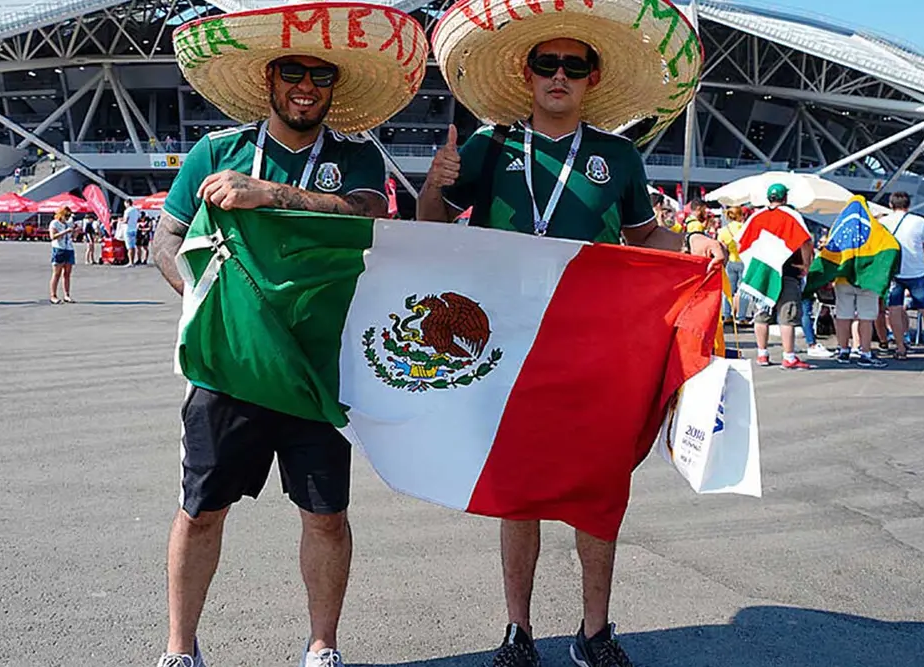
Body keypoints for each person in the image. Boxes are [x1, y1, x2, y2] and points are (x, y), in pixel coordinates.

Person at [420, 3, 714, 666]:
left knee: (597, 488)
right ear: (526, 74)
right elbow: (432, 226)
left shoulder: (615, 155)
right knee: (517, 493)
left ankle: (594, 630)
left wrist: (693, 237)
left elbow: (644, 237)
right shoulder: (489, 145)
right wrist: (435, 190)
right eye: (546, 64)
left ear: (590, 79)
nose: (558, 75)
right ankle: (517, 629)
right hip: (506, 346)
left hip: (594, 347)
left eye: (572, 66)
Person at [150, 4, 416, 666]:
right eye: (292, 72)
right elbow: (166, 239)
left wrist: (267, 193)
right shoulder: (215, 151)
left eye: (319, 75)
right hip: (228, 370)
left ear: (333, 86)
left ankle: (322, 645)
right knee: (201, 511)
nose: (305, 86)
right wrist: (210, 306)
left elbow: (366, 213)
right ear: (269, 78)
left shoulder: (354, 156)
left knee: (325, 516)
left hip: (317, 369)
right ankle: (180, 650)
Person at [749, 184, 814, 369]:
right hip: (788, 270)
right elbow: (806, 241)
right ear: (785, 198)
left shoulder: (757, 216)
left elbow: (744, 242)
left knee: (761, 314)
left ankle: (762, 354)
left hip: (762, 272)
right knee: (787, 315)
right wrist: (806, 265)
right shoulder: (791, 216)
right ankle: (789, 356)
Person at [883, 192, 924, 364]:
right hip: (916, 272)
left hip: (894, 273)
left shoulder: (883, 222)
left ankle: (900, 349)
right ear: (908, 205)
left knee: (894, 310)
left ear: (891, 204)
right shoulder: (919, 221)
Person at [717, 206, 751, 325]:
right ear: (741, 215)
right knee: (744, 291)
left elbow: (722, 247)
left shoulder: (723, 230)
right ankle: (741, 317)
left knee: (728, 291)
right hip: (744, 261)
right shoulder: (745, 228)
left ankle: (727, 315)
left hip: (731, 261)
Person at [48, 207, 77, 303]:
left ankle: (67, 295)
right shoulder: (54, 223)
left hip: (69, 248)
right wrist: (65, 231)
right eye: (66, 215)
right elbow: (52, 237)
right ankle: (53, 295)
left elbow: (73, 237)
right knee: (57, 273)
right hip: (58, 248)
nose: (68, 218)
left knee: (67, 274)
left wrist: (75, 232)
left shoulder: (68, 223)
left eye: (69, 216)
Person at [122, 200, 141, 265]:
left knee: (129, 247)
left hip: (128, 229)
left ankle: (130, 262)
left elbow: (126, 220)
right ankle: (132, 261)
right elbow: (138, 218)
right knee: (133, 246)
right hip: (134, 229)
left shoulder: (127, 211)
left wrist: (121, 221)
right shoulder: (135, 210)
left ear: (127, 203)